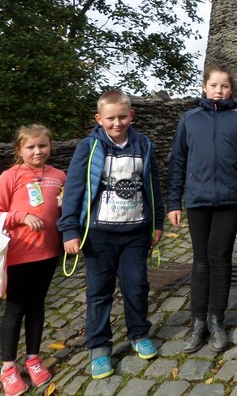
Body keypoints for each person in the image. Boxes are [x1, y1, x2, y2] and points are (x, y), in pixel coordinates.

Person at [57, 91, 164, 380]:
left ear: (132, 116)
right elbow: (75, 189)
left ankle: (139, 333)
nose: (117, 123)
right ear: (99, 119)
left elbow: (152, 184)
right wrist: (69, 230)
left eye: (122, 117)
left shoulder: (143, 144)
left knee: (136, 286)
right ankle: (99, 347)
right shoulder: (88, 147)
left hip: (136, 232)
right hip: (98, 235)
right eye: (111, 118)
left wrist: (157, 222)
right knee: (99, 292)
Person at [167, 65, 237, 354]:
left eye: (224, 86)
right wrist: (173, 201)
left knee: (220, 259)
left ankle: (216, 319)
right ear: (204, 87)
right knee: (200, 260)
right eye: (213, 86)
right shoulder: (190, 119)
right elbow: (178, 161)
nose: (219, 91)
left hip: (230, 201)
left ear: (231, 89)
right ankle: (198, 321)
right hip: (197, 200)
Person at [0, 125, 65, 396]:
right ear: (19, 150)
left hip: (49, 253)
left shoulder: (59, 176)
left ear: (50, 146)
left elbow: (65, 209)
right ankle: (8, 367)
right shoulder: (9, 177)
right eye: (30, 147)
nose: (37, 151)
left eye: (43, 145)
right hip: (19, 254)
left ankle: (33, 358)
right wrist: (21, 217)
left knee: (37, 306)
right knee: (16, 309)